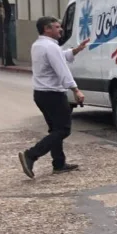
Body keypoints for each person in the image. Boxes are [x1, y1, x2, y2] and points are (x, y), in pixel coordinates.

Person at [18, 16, 90, 179]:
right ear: (46, 29)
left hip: (41, 94)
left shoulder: (39, 45)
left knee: (55, 129)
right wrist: (76, 90)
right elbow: (62, 69)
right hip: (52, 94)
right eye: (57, 27)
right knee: (63, 129)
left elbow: (58, 58)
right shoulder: (50, 47)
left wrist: (75, 50)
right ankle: (31, 155)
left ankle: (59, 163)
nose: (60, 29)